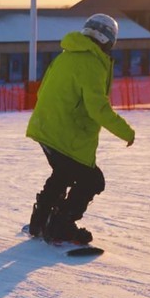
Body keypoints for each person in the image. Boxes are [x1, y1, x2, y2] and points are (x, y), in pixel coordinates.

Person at [25, 14, 135, 244]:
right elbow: (98, 107)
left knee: (62, 174)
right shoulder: (92, 63)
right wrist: (125, 131)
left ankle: (40, 219)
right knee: (92, 181)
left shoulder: (66, 56)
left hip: (45, 128)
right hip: (65, 133)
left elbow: (43, 89)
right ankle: (61, 226)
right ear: (108, 40)